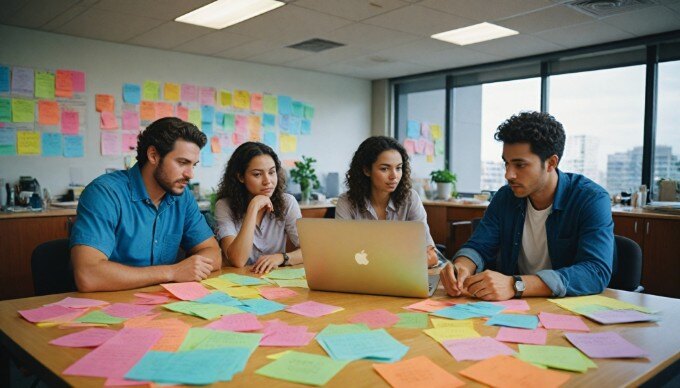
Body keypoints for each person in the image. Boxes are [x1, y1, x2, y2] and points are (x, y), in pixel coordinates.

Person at [441, 111, 614, 301]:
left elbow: (595, 271)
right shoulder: (505, 197)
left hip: (566, 309)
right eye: (506, 164)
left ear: (551, 163)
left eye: (520, 165)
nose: (509, 175)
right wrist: (462, 267)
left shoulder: (590, 199)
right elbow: (479, 247)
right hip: (514, 310)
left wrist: (515, 285)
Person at [70, 117, 221, 292]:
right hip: (107, 307)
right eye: (182, 163)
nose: (190, 174)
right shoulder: (105, 193)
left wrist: (191, 267)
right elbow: (88, 275)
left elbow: (214, 253)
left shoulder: (182, 197)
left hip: (162, 304)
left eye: (193, 165)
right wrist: (172, 272)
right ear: (153, 156)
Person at [336, 136, 439, 267]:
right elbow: (341, 254)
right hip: (362, 276)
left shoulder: (410, 198)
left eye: (398, 168)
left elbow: (431, 256)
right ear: (367, 170)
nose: (394, 176)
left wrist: (387, 263)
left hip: (401, 277)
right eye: (384, 169)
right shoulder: (346, 202)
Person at [215, 142, 302, 274]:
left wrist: (282, 257)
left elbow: (310, 252)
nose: (268, 181)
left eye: (272, 172)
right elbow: (237, 260)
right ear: (240, 177)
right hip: (240, 282)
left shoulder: (287, 202)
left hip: (275, 282)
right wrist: (253, 207)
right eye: (257, 174)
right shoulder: (224, 206)